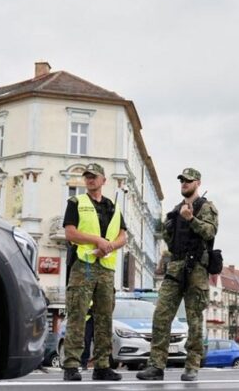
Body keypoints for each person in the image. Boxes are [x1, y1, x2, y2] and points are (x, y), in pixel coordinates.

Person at [137, 168, 218, 382]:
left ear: (197, 183)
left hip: (196, 269)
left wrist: (191, 219)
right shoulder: (175, 210)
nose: (184, 183)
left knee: (194, 319)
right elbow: (168, 238)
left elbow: (210, 232)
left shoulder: (206, 207)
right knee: (161, 315)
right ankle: (156, 366)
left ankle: (192, 366)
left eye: (188, 180)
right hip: (175, 266)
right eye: (182, 180)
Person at [61, 162, 127, 381]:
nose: (90, 179)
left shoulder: (113, 207)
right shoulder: (76, 202)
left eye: (94, 176)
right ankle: (71, 365)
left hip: (106, 268)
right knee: (78, 314)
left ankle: (102, 366)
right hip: (84, 265)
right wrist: (97, 240)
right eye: (87, 176)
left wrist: (108, 246)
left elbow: (123, 236)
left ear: (103, 180)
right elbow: (70, 233)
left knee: (104, 318)